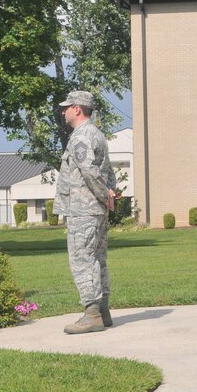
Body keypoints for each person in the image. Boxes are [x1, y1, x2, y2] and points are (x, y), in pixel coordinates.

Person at [52, 90, 117, 334]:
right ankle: (103, 311)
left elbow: (88, 169)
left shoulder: (81, 136)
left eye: (67, 107)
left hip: (84, 209)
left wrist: (103, 194)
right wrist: (109, 193)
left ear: (77, 109)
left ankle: (92, 314)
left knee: (83, 259)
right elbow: (108, 171)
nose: (63, 111)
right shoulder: (97, 134)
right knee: (98, 258)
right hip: (96, 209)